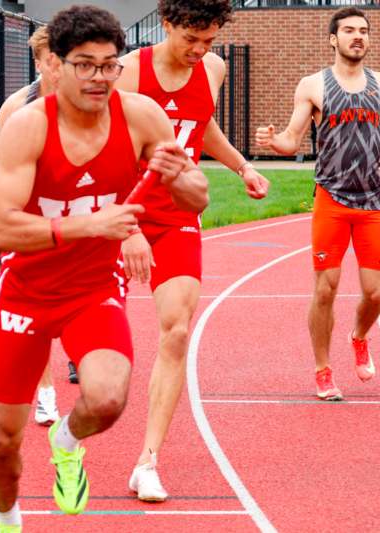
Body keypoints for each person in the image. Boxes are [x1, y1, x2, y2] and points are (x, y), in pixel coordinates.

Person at [0, 6, 209, 532]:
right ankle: (7, 520)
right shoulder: (27, 127)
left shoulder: (142, 117)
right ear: (56, 66)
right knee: (1, 442)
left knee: (107, 400)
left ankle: (66, 441)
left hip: (92, 289)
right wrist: (88, 226)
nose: (99, 77)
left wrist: (179, 176)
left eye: (109, 65)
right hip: (27, 293)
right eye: (84, 64)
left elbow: (195, 199)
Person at [113, 0, 271, 503]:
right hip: (119, 214)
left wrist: (241, 166)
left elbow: (200, 128)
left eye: (209, 42)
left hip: (177, 215)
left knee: (177, 331)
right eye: (191, 41)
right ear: (167, 25)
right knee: (91, 346)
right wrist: (127, 229)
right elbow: (107, 148)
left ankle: (148, 461)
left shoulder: (214, 68)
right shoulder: (131, 71)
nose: (200, 51)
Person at [256, 7, 380, 402]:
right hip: (332, 198)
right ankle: (323, 370)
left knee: (375, 293)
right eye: (348, 31)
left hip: (374, 202)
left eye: (363, 31)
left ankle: (359, 337)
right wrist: (274, 142)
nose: (357, 36)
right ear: (334, 39)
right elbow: (293, 139)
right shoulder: (313, 85)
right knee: (325, 289)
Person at [0, 26, 68, 428]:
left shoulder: (92, 104)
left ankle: (80, 353)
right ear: (38, 63)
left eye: (61, 59)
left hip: (77, 217)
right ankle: (46, 394)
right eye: (48, 61)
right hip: (32, 221)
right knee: (35, 315)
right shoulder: (17, 107)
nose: (55, 68)